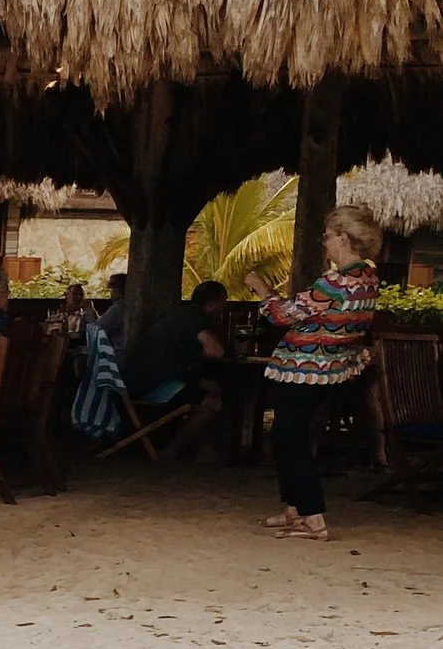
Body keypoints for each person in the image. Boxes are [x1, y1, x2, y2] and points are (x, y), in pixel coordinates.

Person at [258, 207, 384, 541]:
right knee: (289, 435)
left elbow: (283, 315)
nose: (324, 242)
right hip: (334, 370)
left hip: (304, 371)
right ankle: (294, 510)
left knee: (291, 438)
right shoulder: (368, 279)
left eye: (328, 236)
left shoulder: (335, 282)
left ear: (344, 238)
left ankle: (312, 517)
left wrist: (262, 290)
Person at [123, 279, 230, 460]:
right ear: (211, 304)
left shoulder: (182, 313)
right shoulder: (194, 317)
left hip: (152, 377)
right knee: (212, 404)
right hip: (152, 384)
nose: (224, 307)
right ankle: (173, 451)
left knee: (215, 388)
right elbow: (216, 352)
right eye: (223, 302)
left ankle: (205, 448)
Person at [96, 273, 131, 352]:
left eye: (110, 289)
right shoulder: (129, 304)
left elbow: (98, 327)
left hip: (121, 353)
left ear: (116, 289)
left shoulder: (119, 306)